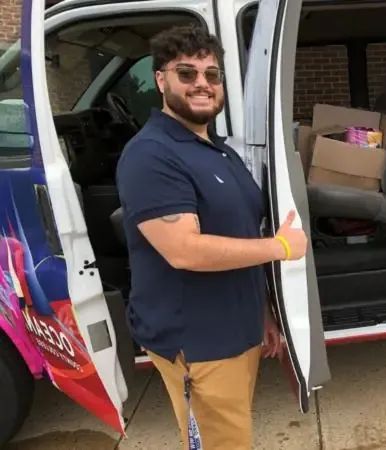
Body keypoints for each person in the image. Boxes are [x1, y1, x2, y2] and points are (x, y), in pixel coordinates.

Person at [115, 25, 308, 450]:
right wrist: (281, 247)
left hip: (235, 332)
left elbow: (237, 231)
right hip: (199, 343)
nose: (202, 83)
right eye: (187, 73)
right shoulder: (151, 154)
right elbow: (185, 250)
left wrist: (262, 312)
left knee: (231, 435)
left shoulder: (217, 148)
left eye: (212, 74)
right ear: (162, 80)